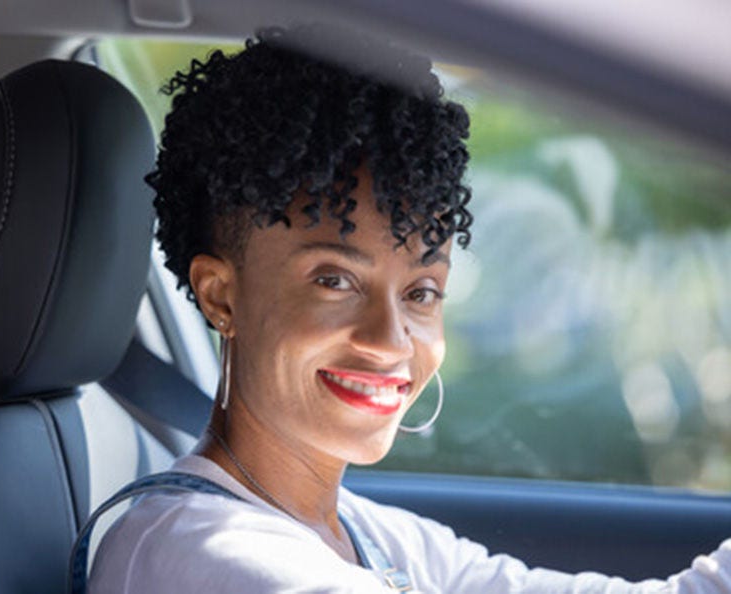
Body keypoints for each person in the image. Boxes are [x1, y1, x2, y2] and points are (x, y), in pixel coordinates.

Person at [88, 25, 731, 593]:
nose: (390, 340)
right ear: (221, 294)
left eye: (421, 292)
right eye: (335, 280)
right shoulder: (205, 556)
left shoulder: (363, 533)